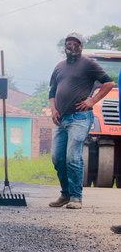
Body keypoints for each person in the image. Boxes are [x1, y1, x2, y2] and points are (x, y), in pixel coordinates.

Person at [48, 32, 115, 210]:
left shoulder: (88, 64)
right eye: (68, 44)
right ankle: (65, 194)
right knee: (57, 158)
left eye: (75, 44)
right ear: (65, 47)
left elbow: (109, 84)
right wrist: (53, 109)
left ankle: (76, 197)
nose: (72, 47)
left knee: (72, 157)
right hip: (61, 119)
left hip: (80, 118)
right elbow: (52, 92)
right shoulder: (59, 67)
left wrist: (92, 101)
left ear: (81, 46)